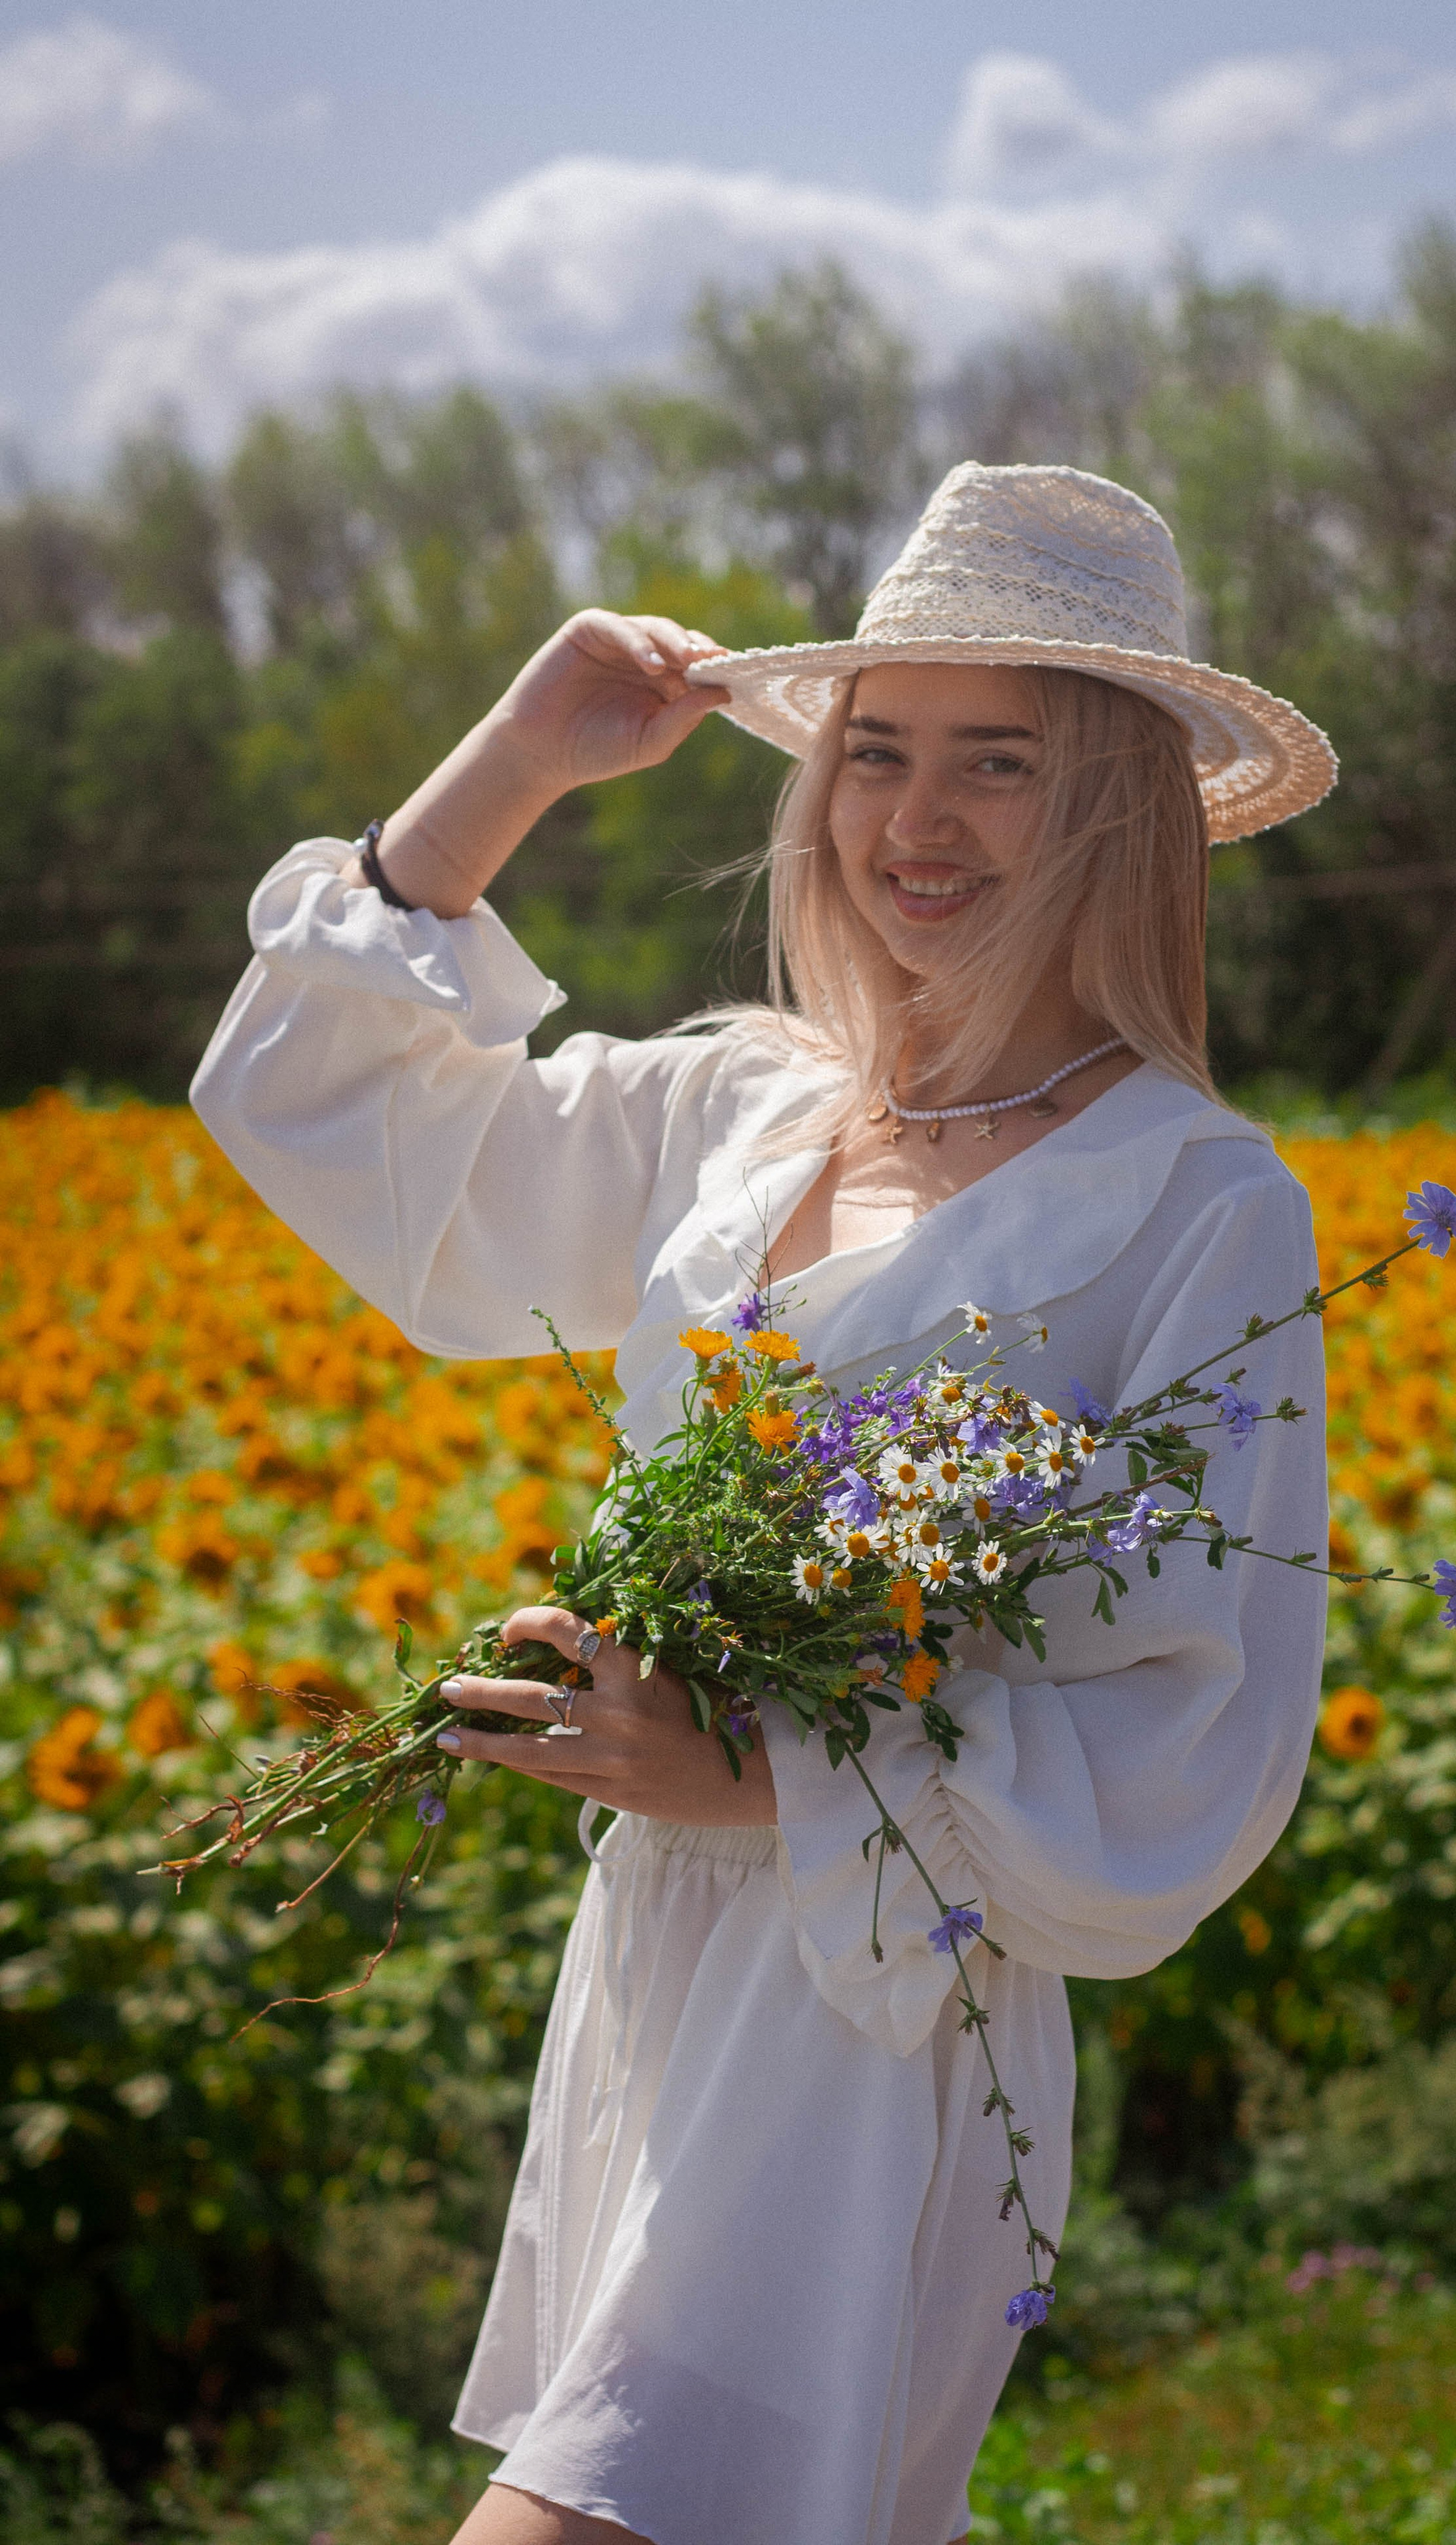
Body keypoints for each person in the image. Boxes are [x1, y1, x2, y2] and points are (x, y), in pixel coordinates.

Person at [192, 462, 1337, 2545]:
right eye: (878, 752)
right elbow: (329, 1118)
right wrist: (513, 761)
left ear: (1122, 809)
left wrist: (759, 1773)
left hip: (882, 2024)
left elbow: (1203, 1743)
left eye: (1001, 762)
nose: (918, 819)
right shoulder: (737, 1111)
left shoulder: (1201, 1204)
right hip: (653, 1978)